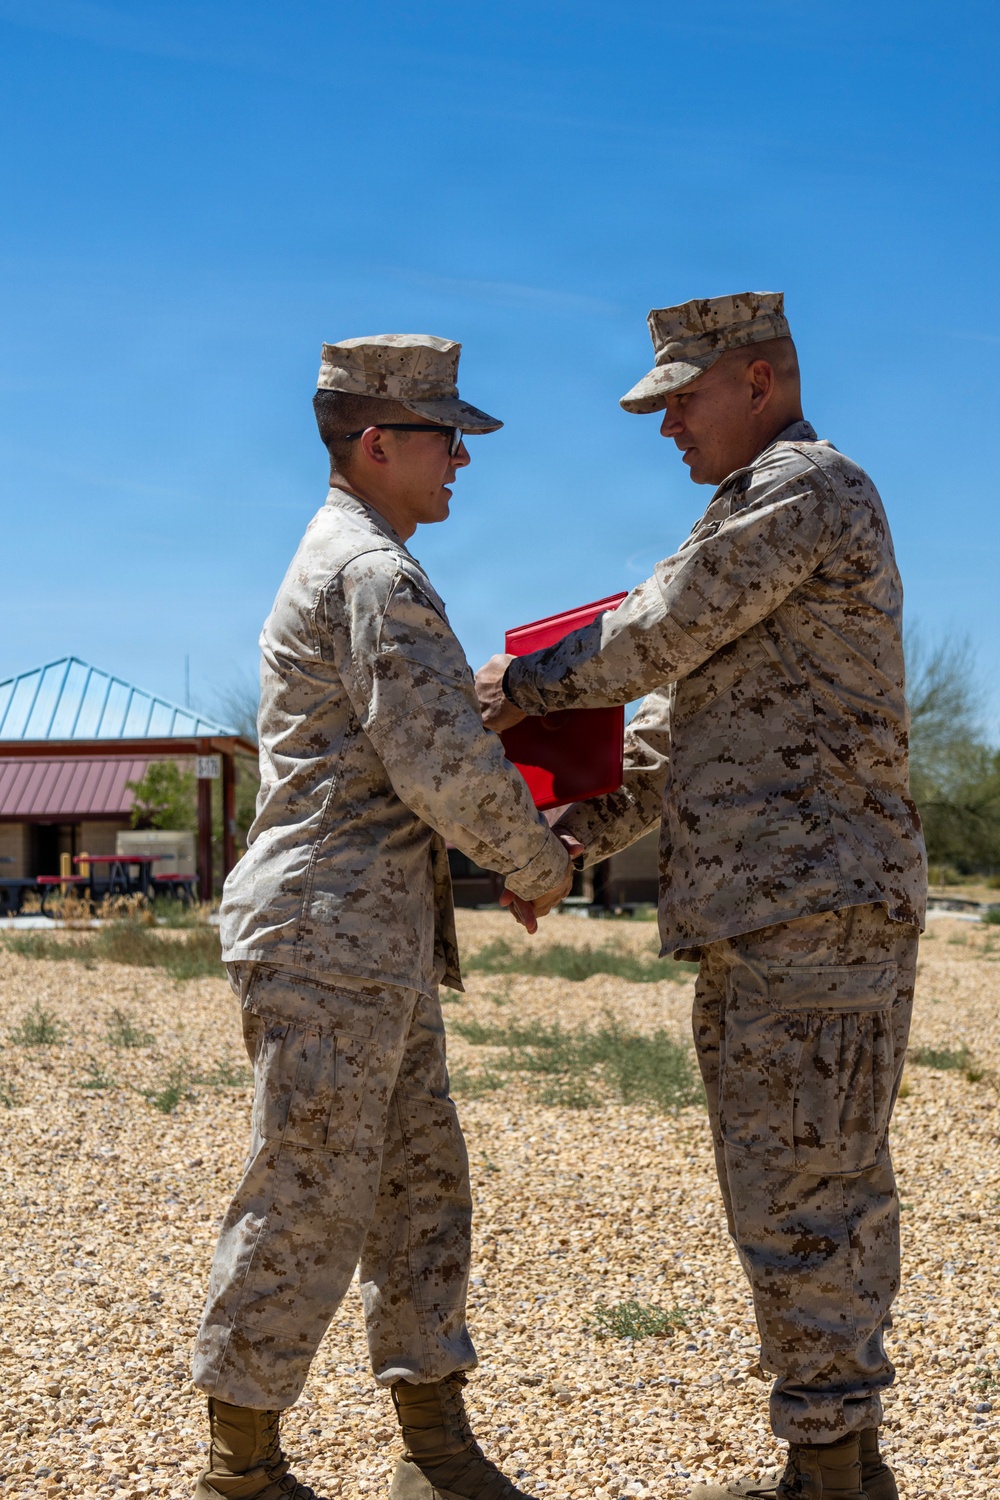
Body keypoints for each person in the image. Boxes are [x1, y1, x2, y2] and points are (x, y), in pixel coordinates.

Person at [476, 293, 926, 1500]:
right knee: (782, 1181)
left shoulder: (806, 491)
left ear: (762, 379)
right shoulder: (739, 518)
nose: (665, 423)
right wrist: (570, 840)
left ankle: (833, 1469)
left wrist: (520, 686)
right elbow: (673, 740)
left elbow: (653, 637)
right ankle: (831, 1456)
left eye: (682, 396)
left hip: (816, 907)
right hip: (767, 915)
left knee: (811, 1187)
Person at [192, 333, 578, 1500]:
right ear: (377, 444)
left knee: (418, 1189)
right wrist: (538, 863)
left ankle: (436, 1450)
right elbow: (441, 768)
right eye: (444, 438)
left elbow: (416, 732)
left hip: (366, 939)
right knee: (307, 1193)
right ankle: (240, 1468)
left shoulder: (364, 565)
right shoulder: (374, 574)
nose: (461, 458)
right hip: (329, 934)